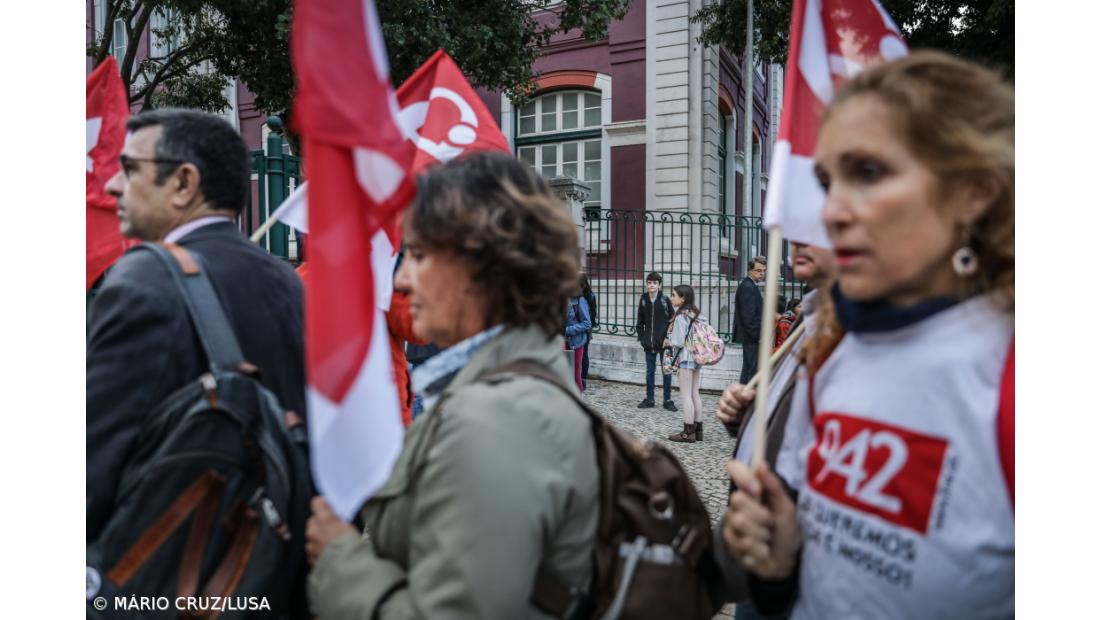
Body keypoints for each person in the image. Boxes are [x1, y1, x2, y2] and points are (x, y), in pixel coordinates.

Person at [721, 51, 1014, 618]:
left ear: (973, 189)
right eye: (829, 181)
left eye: (870, 173)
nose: (830, 212)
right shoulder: (828, 348)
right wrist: (780, 567)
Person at [304, 151, 599, 618]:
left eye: (417, 255)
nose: (401, 276)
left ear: (479, 269)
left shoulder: (493, 420)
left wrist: (340, 559)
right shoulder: (508, 387)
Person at [87, 109, 305, 540]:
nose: (112, 184)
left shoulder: (143, 281)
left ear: (184, 184)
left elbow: (95, 465)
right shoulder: (288, 279)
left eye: (129, 169)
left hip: (170, 572)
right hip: (268, 561)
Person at [711, 242, 836, 618]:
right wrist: (748, 417)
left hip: (799, 568)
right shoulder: (811, 316)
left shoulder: (854, 332)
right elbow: (790, 415)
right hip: (760, 557)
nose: (796, 237)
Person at [665, 285, 705, 443]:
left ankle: (688, 432)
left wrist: (669, 340)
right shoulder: (698, 313)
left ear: (682, 298)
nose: (672, 298)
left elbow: (678, 341)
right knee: (695, 393)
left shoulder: (681, 316)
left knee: (686, 395)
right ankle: (698, 430)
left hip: (686, 358)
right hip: (697, 357)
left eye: (674, 295)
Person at [636, 271, 676, 410]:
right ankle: (650, 399)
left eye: (654, 283)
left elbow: (673, 320)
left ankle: (667, 400)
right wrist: (642, 338)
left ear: (659, 285)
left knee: (667, 371)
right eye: (649, 282)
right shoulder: (643, 299)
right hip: (649, 344)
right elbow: (639, 322)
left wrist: (668, 338)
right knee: (649, 372)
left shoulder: (665, 300)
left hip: (665, 345)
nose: (651, 285)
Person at [733, 257, 766, 384]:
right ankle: (747, 398)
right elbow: (749, 317)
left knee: (749, 368)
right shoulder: (748, 287)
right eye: (758, 271)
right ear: (749, 271)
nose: (762, 274)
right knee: (751, 370)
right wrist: (758, 336)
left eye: (763, 271)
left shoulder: (750, 285)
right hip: (751, 337)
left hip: (750, 336)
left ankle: (744, 397)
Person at [564, 285, 592, 391]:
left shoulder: (580, 301)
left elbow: (587, 323)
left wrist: (568, 330)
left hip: (576, 342)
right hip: (561, 342)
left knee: (576, 375)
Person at [579, 272, 598, 390]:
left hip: (586, 328)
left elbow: (593, 313)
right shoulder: (572, 294)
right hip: (576, 327)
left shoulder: (590, 296)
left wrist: (588, 326)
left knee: (584, 354)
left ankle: (583, 378)